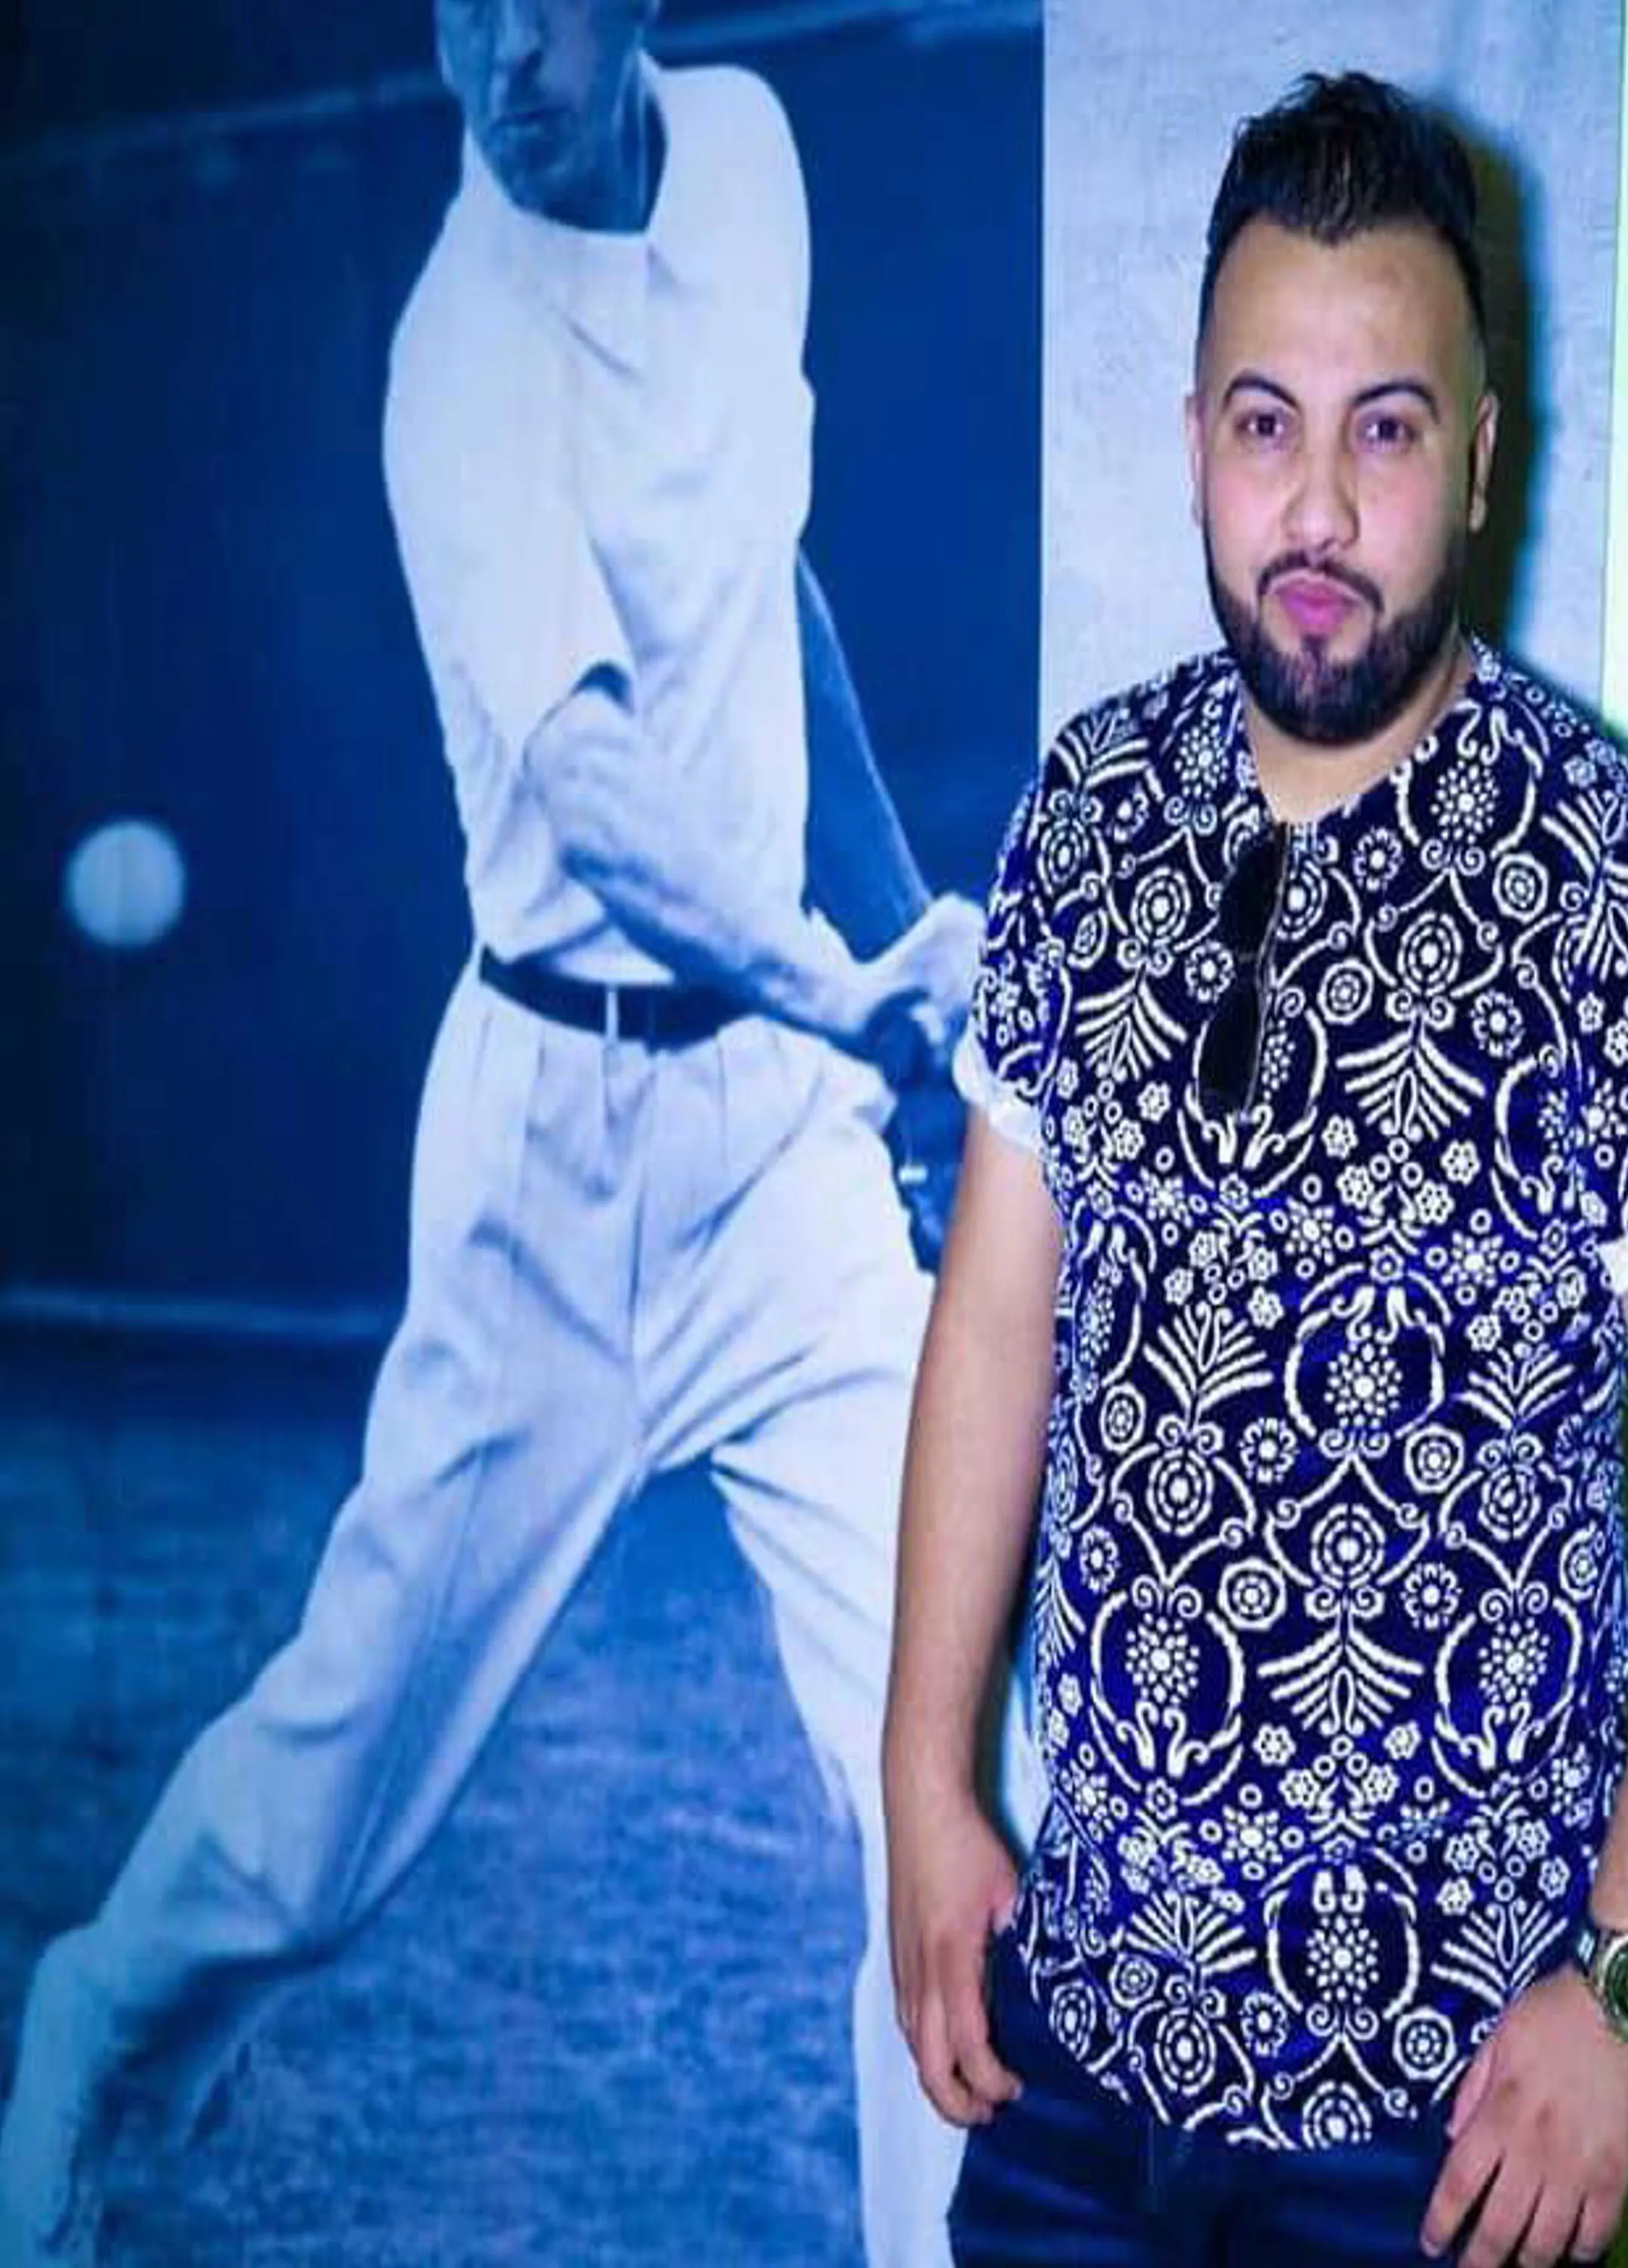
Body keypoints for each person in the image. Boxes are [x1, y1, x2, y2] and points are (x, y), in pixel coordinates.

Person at [0, 3, 986, 2263]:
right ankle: (99, 2028)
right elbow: (601, 801)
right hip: (551, 1178)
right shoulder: (457, 369)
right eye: (459, 8)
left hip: (785, 1174)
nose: (501, 60)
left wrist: (885, 930)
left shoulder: (750, 160)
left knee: (945, 1779)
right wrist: (841, 985)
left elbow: (773, 583)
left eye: (543, 2)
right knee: (324, 1815)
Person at [882, 70, 1628, 2268]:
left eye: (1386, 431)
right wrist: (926, 1779)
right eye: (1266, 424)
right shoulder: (1091, 811)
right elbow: (996, 1321)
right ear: (1195, 440)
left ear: (1481, 458)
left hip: (1442, 2126)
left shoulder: (1612, 877)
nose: (1316, 508)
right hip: (1077, 2054)